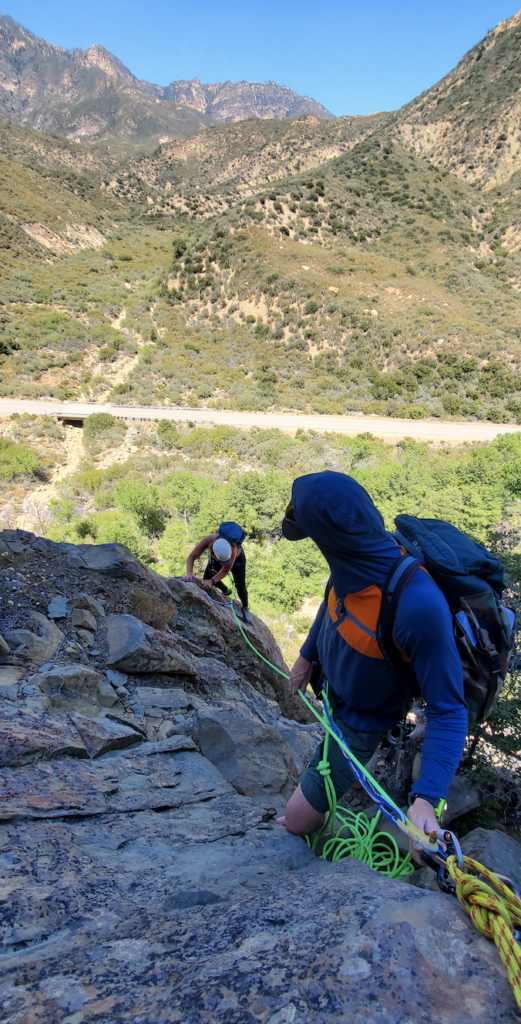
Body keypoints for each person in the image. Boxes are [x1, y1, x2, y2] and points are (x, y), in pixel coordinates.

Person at [278, 470, 468, 866]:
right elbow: (334, 600)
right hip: (335, 692)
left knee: (295, 822)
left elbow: (449, 711)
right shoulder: (351, 557)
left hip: (361, 721)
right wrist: (307, 654)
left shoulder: (417, 606)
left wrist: (426, 800)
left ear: (326, 536)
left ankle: (320, 833)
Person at [184, 522, 250, 623]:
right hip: (218, 556)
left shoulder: (233, 550)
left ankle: (245, 608)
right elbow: (191, 557)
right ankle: (226, 591)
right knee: (207, 578)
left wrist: (212, 581)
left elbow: (224, 571)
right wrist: (189, 573)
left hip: (237, 561)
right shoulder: (209, 540)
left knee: (240, 585)